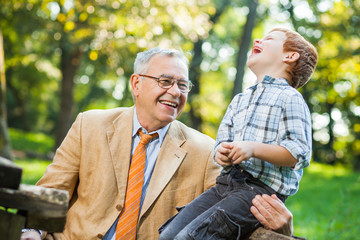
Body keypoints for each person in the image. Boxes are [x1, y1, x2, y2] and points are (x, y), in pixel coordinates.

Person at [20, 47, 294, 240]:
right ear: (136, 84)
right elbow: (52, 191)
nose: (174, 92)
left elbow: (230, 215)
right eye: (165, 81)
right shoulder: (89, 124)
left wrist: (282, 230)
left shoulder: (206, 150)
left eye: (182, 85)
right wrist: (31, 231)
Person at [158, 27, 318, 240]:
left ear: (289, 56)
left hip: (258, 192)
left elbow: (297, 153)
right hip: (225, 183)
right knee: (168, 235)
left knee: (189, 237)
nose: (259, 39)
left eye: (269, 38)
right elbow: (221, 144)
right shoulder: (240, 100)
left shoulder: (290, 98)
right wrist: (222, 153)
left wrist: (252, 149)